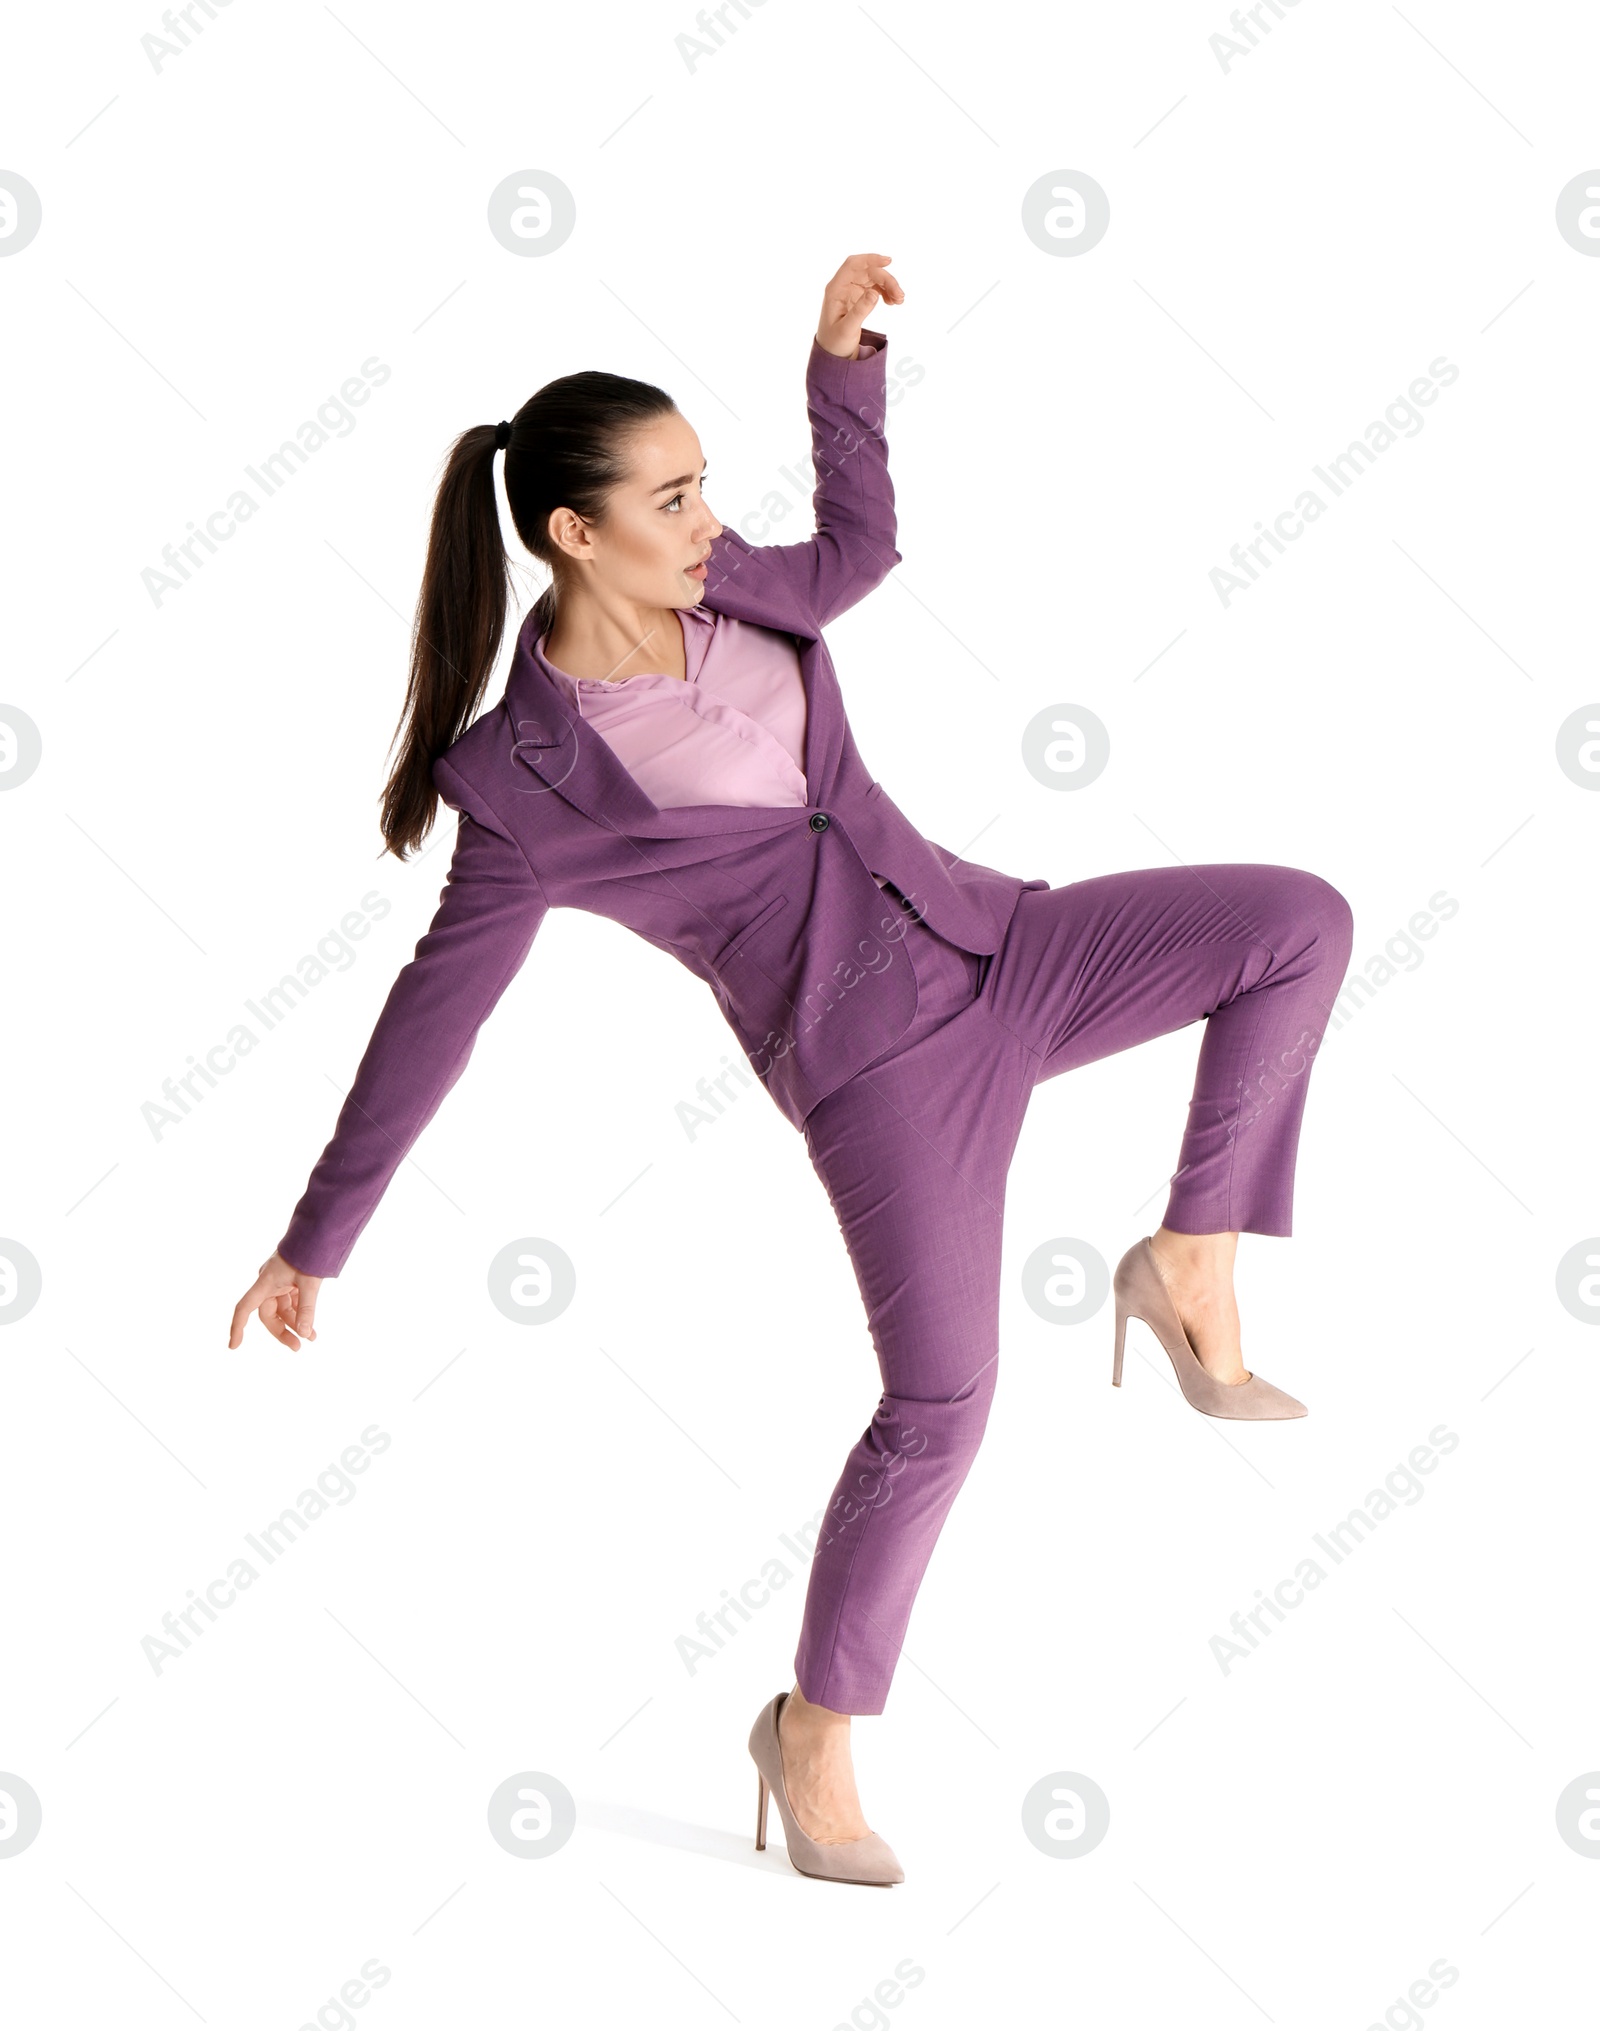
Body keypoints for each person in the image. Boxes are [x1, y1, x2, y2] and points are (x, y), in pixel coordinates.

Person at [228, 253, 1354, 1887]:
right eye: (673, 500)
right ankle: (814, 1731)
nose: (707, 523)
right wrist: (314, 1239)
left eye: (706, 490)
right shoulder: (522, 783)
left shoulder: (737, 585)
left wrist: (840, 374)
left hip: (1003, 939)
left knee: (1296, 926)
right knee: (945, 1405)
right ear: (573, 532)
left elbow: (858, 555)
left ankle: (1189, 1255)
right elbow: (432, 1017)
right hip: (879, 1070)